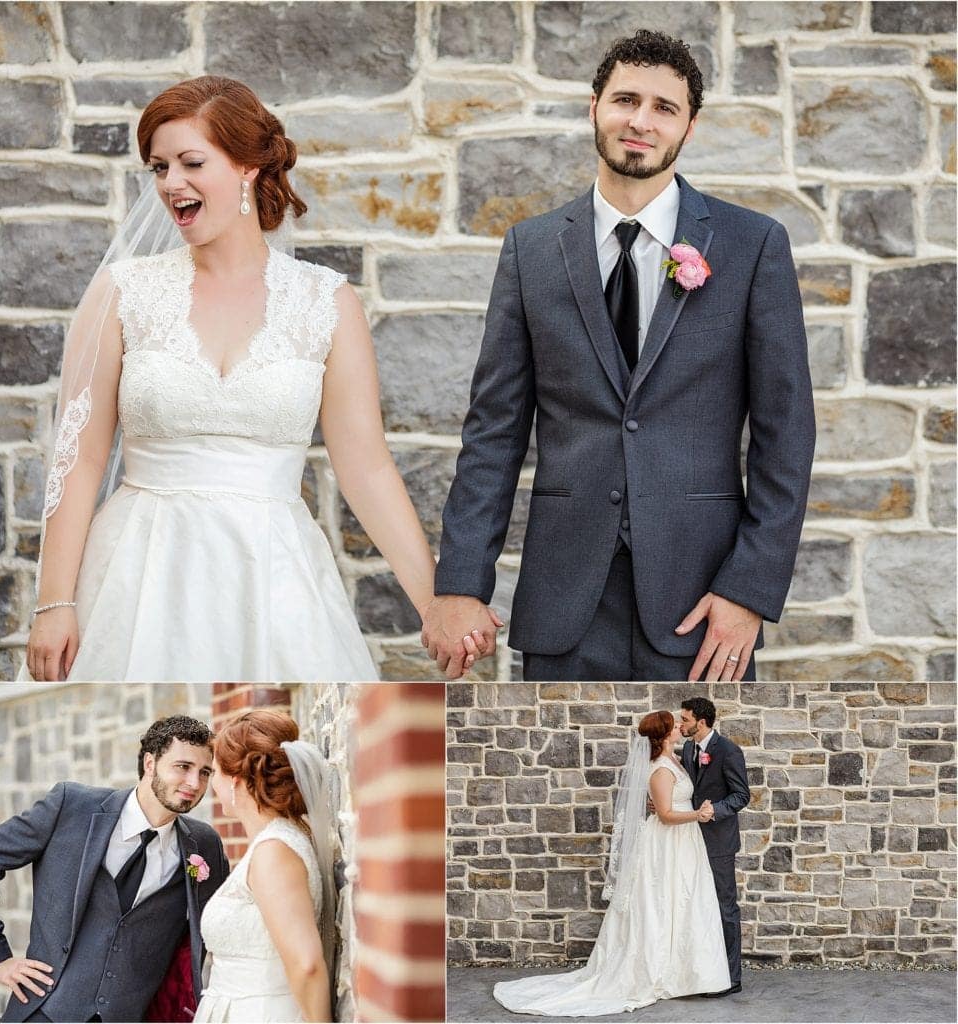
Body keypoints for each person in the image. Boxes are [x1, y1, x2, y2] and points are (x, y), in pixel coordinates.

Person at [23, 75, 488, 682]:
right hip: (136, 572)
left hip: (274, 575)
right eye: (159, 167)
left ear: (248, 167)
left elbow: (367, 468)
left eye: (192, 163)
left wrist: (434, 604)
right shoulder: (121, 292)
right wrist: (54, 603)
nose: (171, 183)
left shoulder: (326, 301)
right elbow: (78, 459)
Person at [425, 29, 816, 681]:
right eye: (626, 100)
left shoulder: (752, 246)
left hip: (701, 604)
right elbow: (494, 431)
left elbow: (787, 435)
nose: (641, 121)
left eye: (664, 107)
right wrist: (461, 583)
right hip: (565, 601)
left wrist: (748, 589)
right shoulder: (531, 249)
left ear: (689, 126)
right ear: (595, 107)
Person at [0, 716, 228, 1023]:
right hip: (44, 1012)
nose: (195, 783)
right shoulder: (72, 807)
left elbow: (216, 928)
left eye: (205, 772)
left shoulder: (204, 845)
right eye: (183, 767)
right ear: (150, 764)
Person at [493, 710, 735, 1016]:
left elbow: (672, 799)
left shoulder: (677, 758)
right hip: (668, 842)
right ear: (664, 735)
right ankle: (657, 971)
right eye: (674, 725)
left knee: (684, 901)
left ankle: (686, 972)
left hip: (684, 842)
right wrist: (697, 815)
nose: (679, 727)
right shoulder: (661, 769)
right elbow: (665, 815)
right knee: (661, 902)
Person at [195, 708, 335, 1023]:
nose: (211, 783)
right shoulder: (279, 840)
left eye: (213, 772)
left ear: (235, 781)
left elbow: (306, 965)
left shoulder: (274, 852)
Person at [678, 696, 750, 996]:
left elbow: (741, 795)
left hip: (719, 841)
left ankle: (731, 978)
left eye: (685, 719)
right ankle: (705, 972)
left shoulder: (728, 750)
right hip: (690, 839)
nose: (680, 724)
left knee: (724, 907)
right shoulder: (688, 748)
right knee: (697, 904)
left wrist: (716, 810)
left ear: (702, 722)